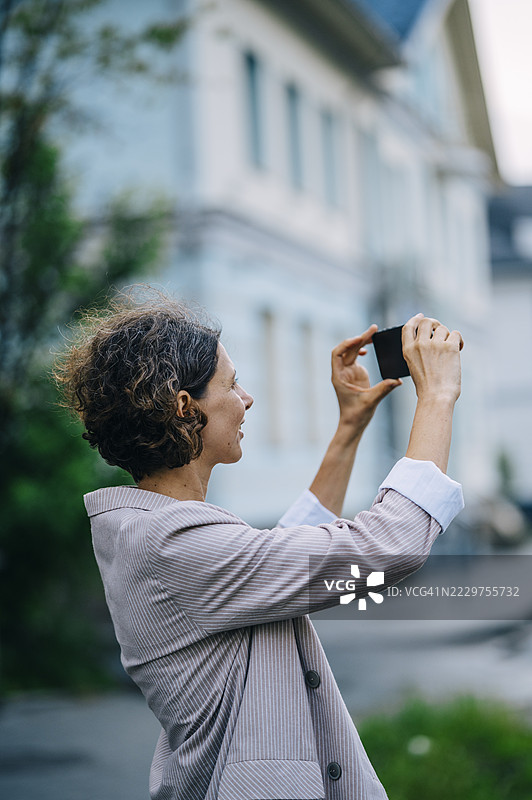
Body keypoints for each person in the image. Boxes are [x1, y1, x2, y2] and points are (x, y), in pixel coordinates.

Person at [55, 288, 464, 800]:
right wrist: (438, 397)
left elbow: (276, 556)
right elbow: (390, 544)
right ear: (185, 408)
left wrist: (348, 428)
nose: (246, 398)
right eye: (232, 384)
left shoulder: (159, 533)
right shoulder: (171, 544)